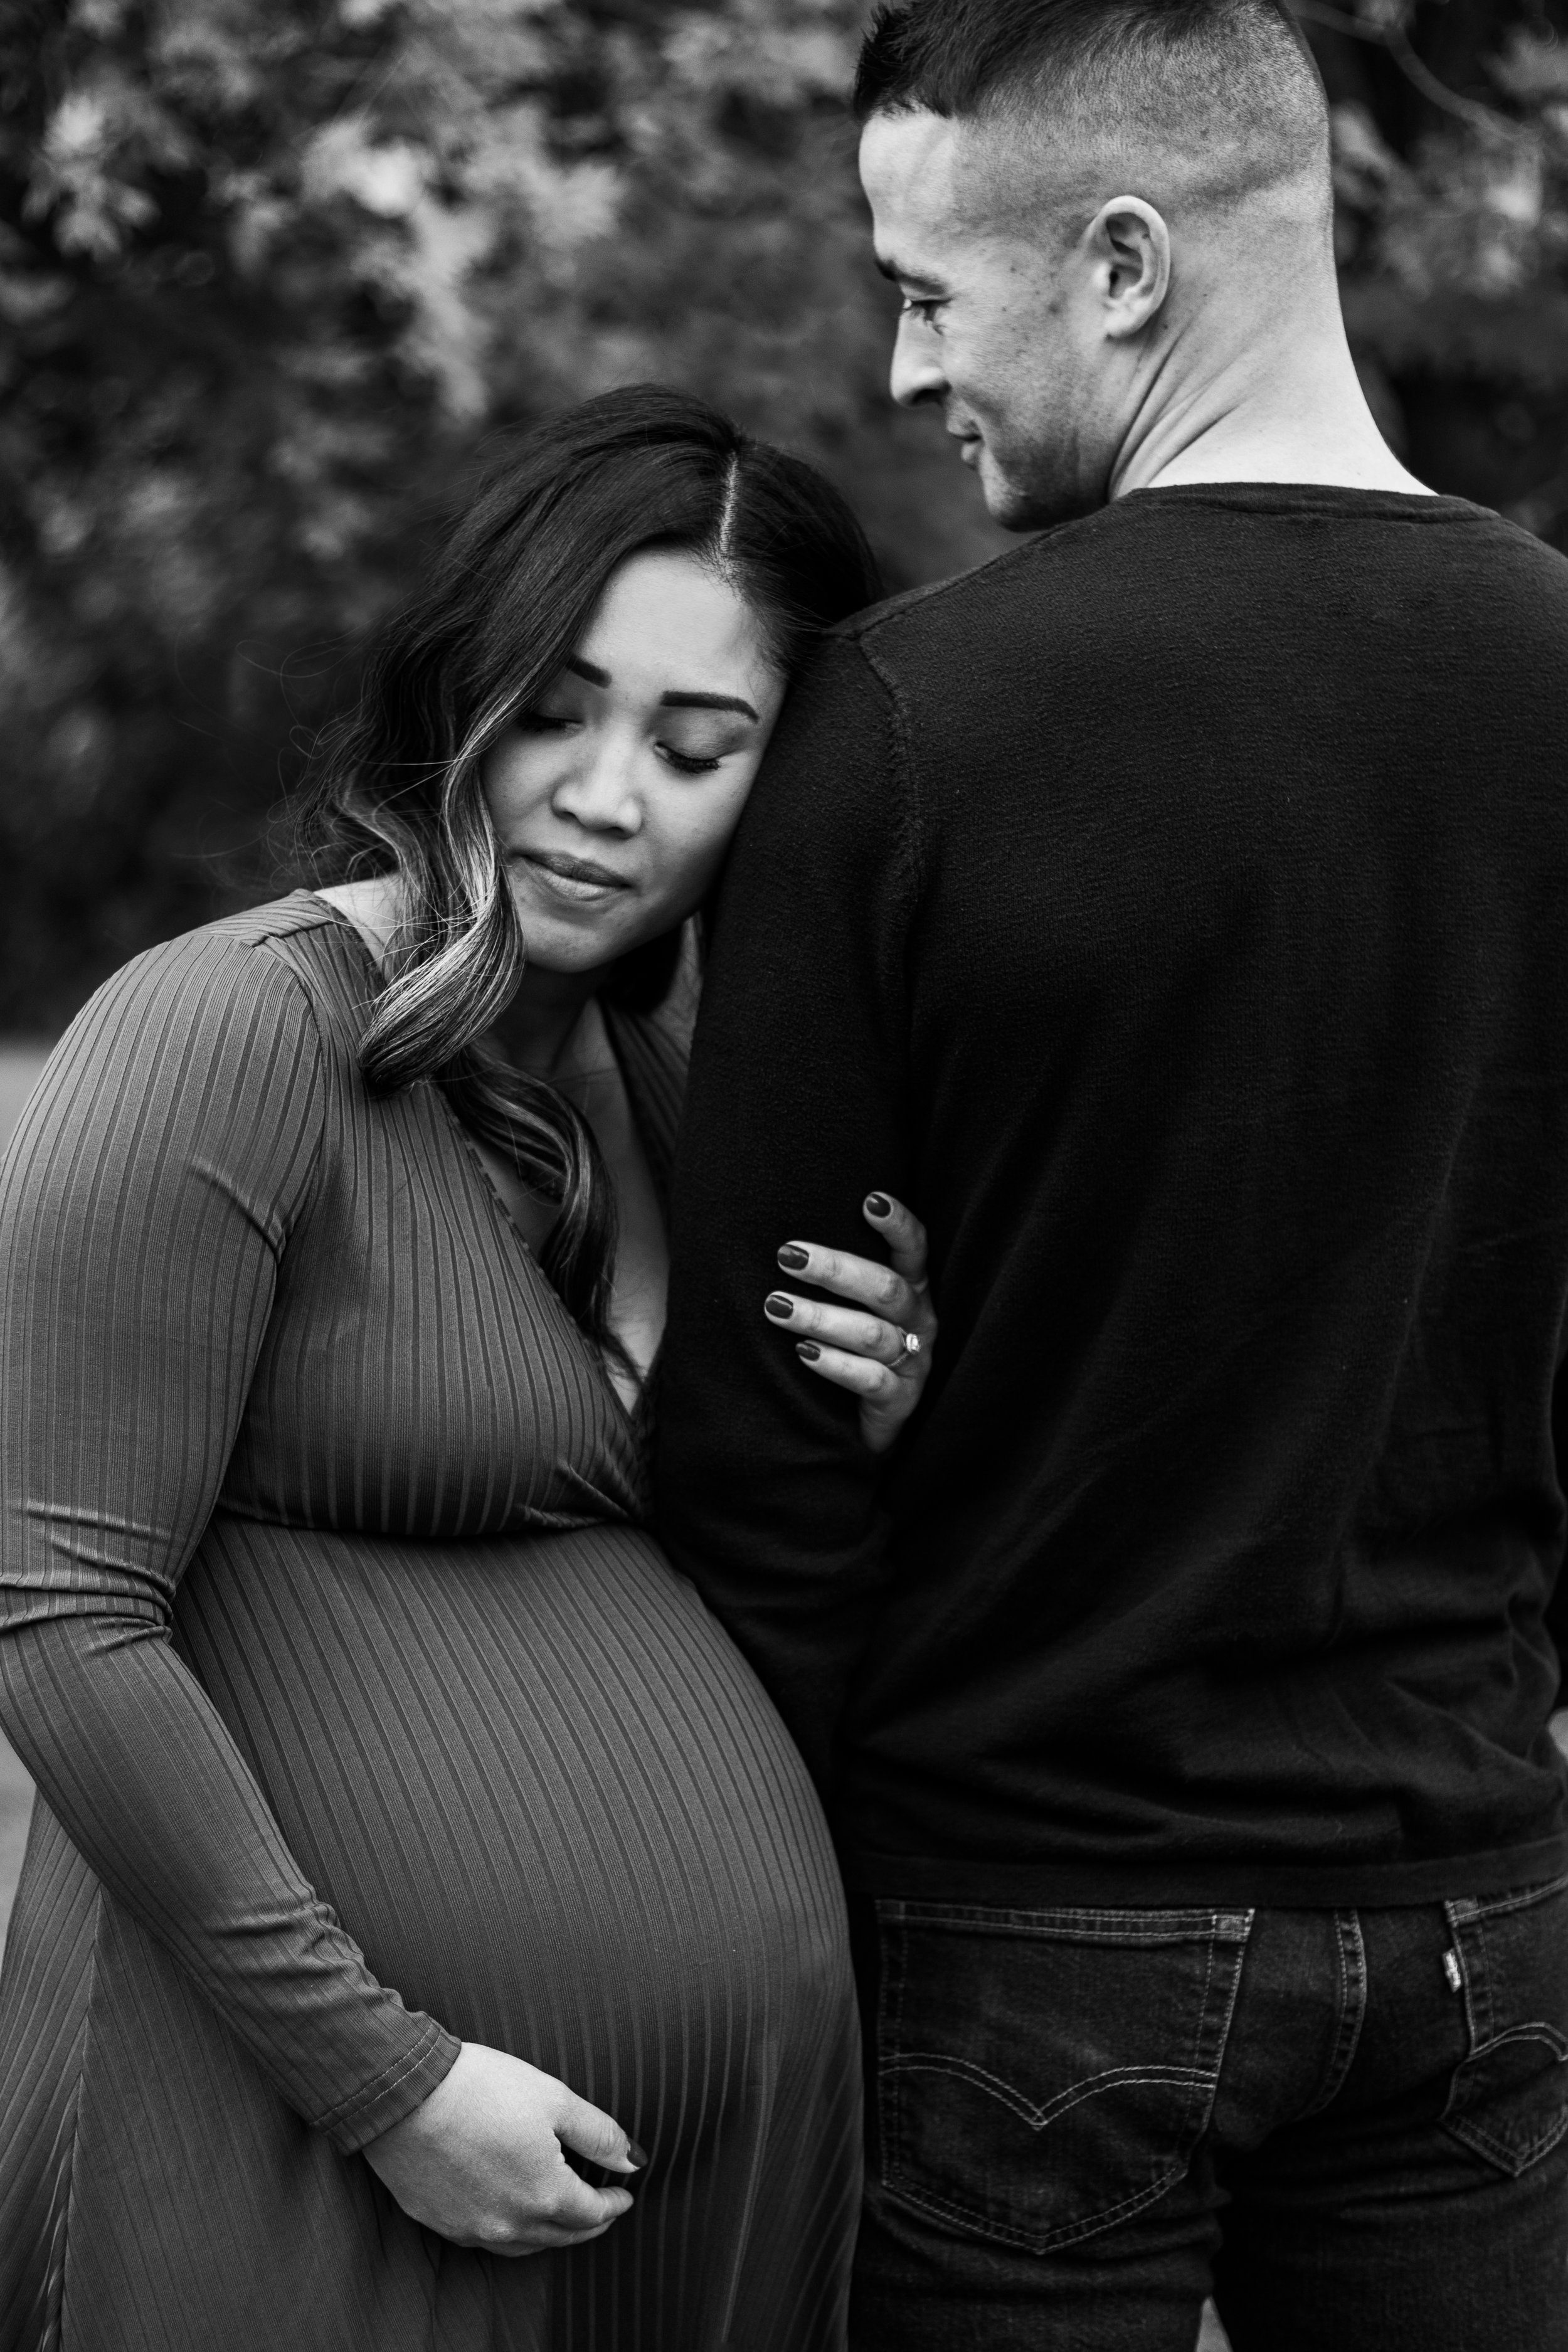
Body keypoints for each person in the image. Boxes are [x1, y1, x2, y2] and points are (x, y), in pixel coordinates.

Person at [654, 4, 1568, 2348]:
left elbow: (766, 1460)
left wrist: (758, 1942)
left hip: (1024, 1922)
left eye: (931, 290)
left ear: (1126, 263)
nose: (899, 367)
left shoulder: (897, 722)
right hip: (1474, 1904)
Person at [0, 386, 938, 2352]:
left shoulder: (697, 1108)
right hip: (303, 2140)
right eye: (555, 710)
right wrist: (386, 2080)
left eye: (699, 747)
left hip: (689, 2191)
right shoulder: (232, 1035)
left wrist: (894, 1410)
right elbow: (51, 1605)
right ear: (462, 696)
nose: (607, 794)